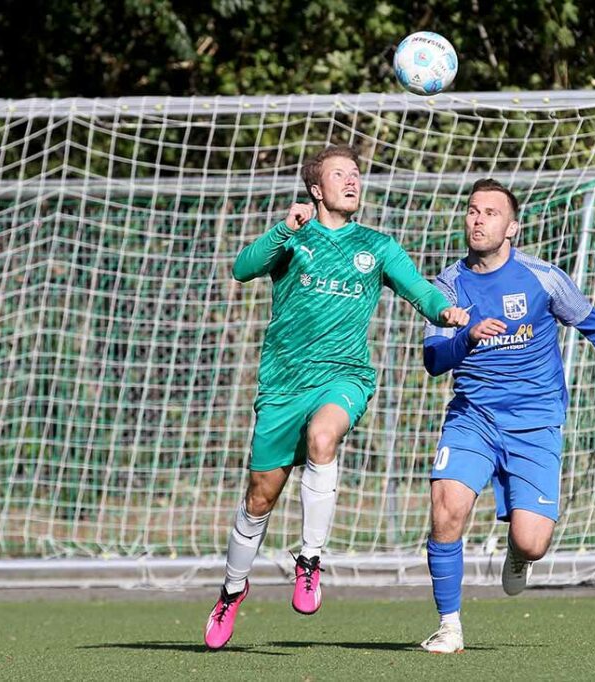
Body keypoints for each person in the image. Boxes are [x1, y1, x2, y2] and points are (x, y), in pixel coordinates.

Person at [204, 145, 469, 650]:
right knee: (260, 496)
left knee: (324, 436)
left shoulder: (378, 246)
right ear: (315, 189)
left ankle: (309, 559)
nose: (352, 181)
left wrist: (446, 312)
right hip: (283, 386)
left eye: (355, 174)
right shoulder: (294, 238)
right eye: (339, 175)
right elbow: (241, 268)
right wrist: (284, 229)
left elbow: (421, 291)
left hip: (344, 377)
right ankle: (232, 591)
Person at [418, 178, 595, 653]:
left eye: (491, 213)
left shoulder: (542, 277)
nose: (477, 219)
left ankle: (518, 551)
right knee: (446, 511)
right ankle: (449, 626)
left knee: (532, 542)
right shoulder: (446, 286)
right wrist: (465, 338)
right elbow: (433, 361)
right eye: (472, 210)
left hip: (534, 420)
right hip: (473, 417)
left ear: (512, 227)